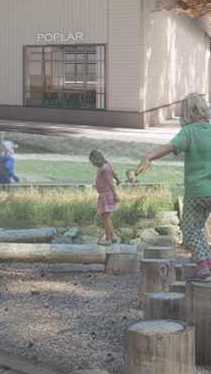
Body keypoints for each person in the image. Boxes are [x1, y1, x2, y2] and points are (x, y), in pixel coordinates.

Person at [137, 92, 211, 280]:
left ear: (186, 113)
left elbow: (170, 147)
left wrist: (149, 156)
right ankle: (207, 262)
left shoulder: (189, 131)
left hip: (196, 192)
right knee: (198, 228)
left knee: (189, 230)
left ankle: (202, 269)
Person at [89, 149, 121, 244]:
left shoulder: (103, 169)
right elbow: (114, 173)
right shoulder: (106, 166)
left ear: (96, 159)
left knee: (105, 216)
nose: (93, 164)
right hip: (105, 194)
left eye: (93, 162)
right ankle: (113, 236)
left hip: (106, 194)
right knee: (105, 216)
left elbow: (110, 182)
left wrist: (115, 195)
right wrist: (118, 180)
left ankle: (108, 238)